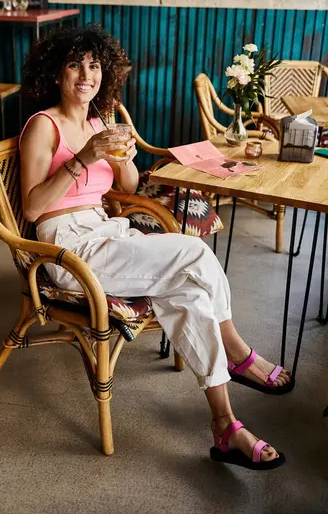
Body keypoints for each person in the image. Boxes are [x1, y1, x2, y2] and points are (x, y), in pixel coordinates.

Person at [19, 24, 292, 470]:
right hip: (66, 249)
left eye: (94, 65)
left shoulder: (99, 121)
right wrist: (84, 158)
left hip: (105, 230)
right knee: (196, 252)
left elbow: (126, 186)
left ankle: (225, 427)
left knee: (191, 297)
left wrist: (120, 157)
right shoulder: (43, 127)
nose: (85, 75)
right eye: (74, 65)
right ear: (56, 73)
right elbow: (32, 209)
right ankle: (238, 353)